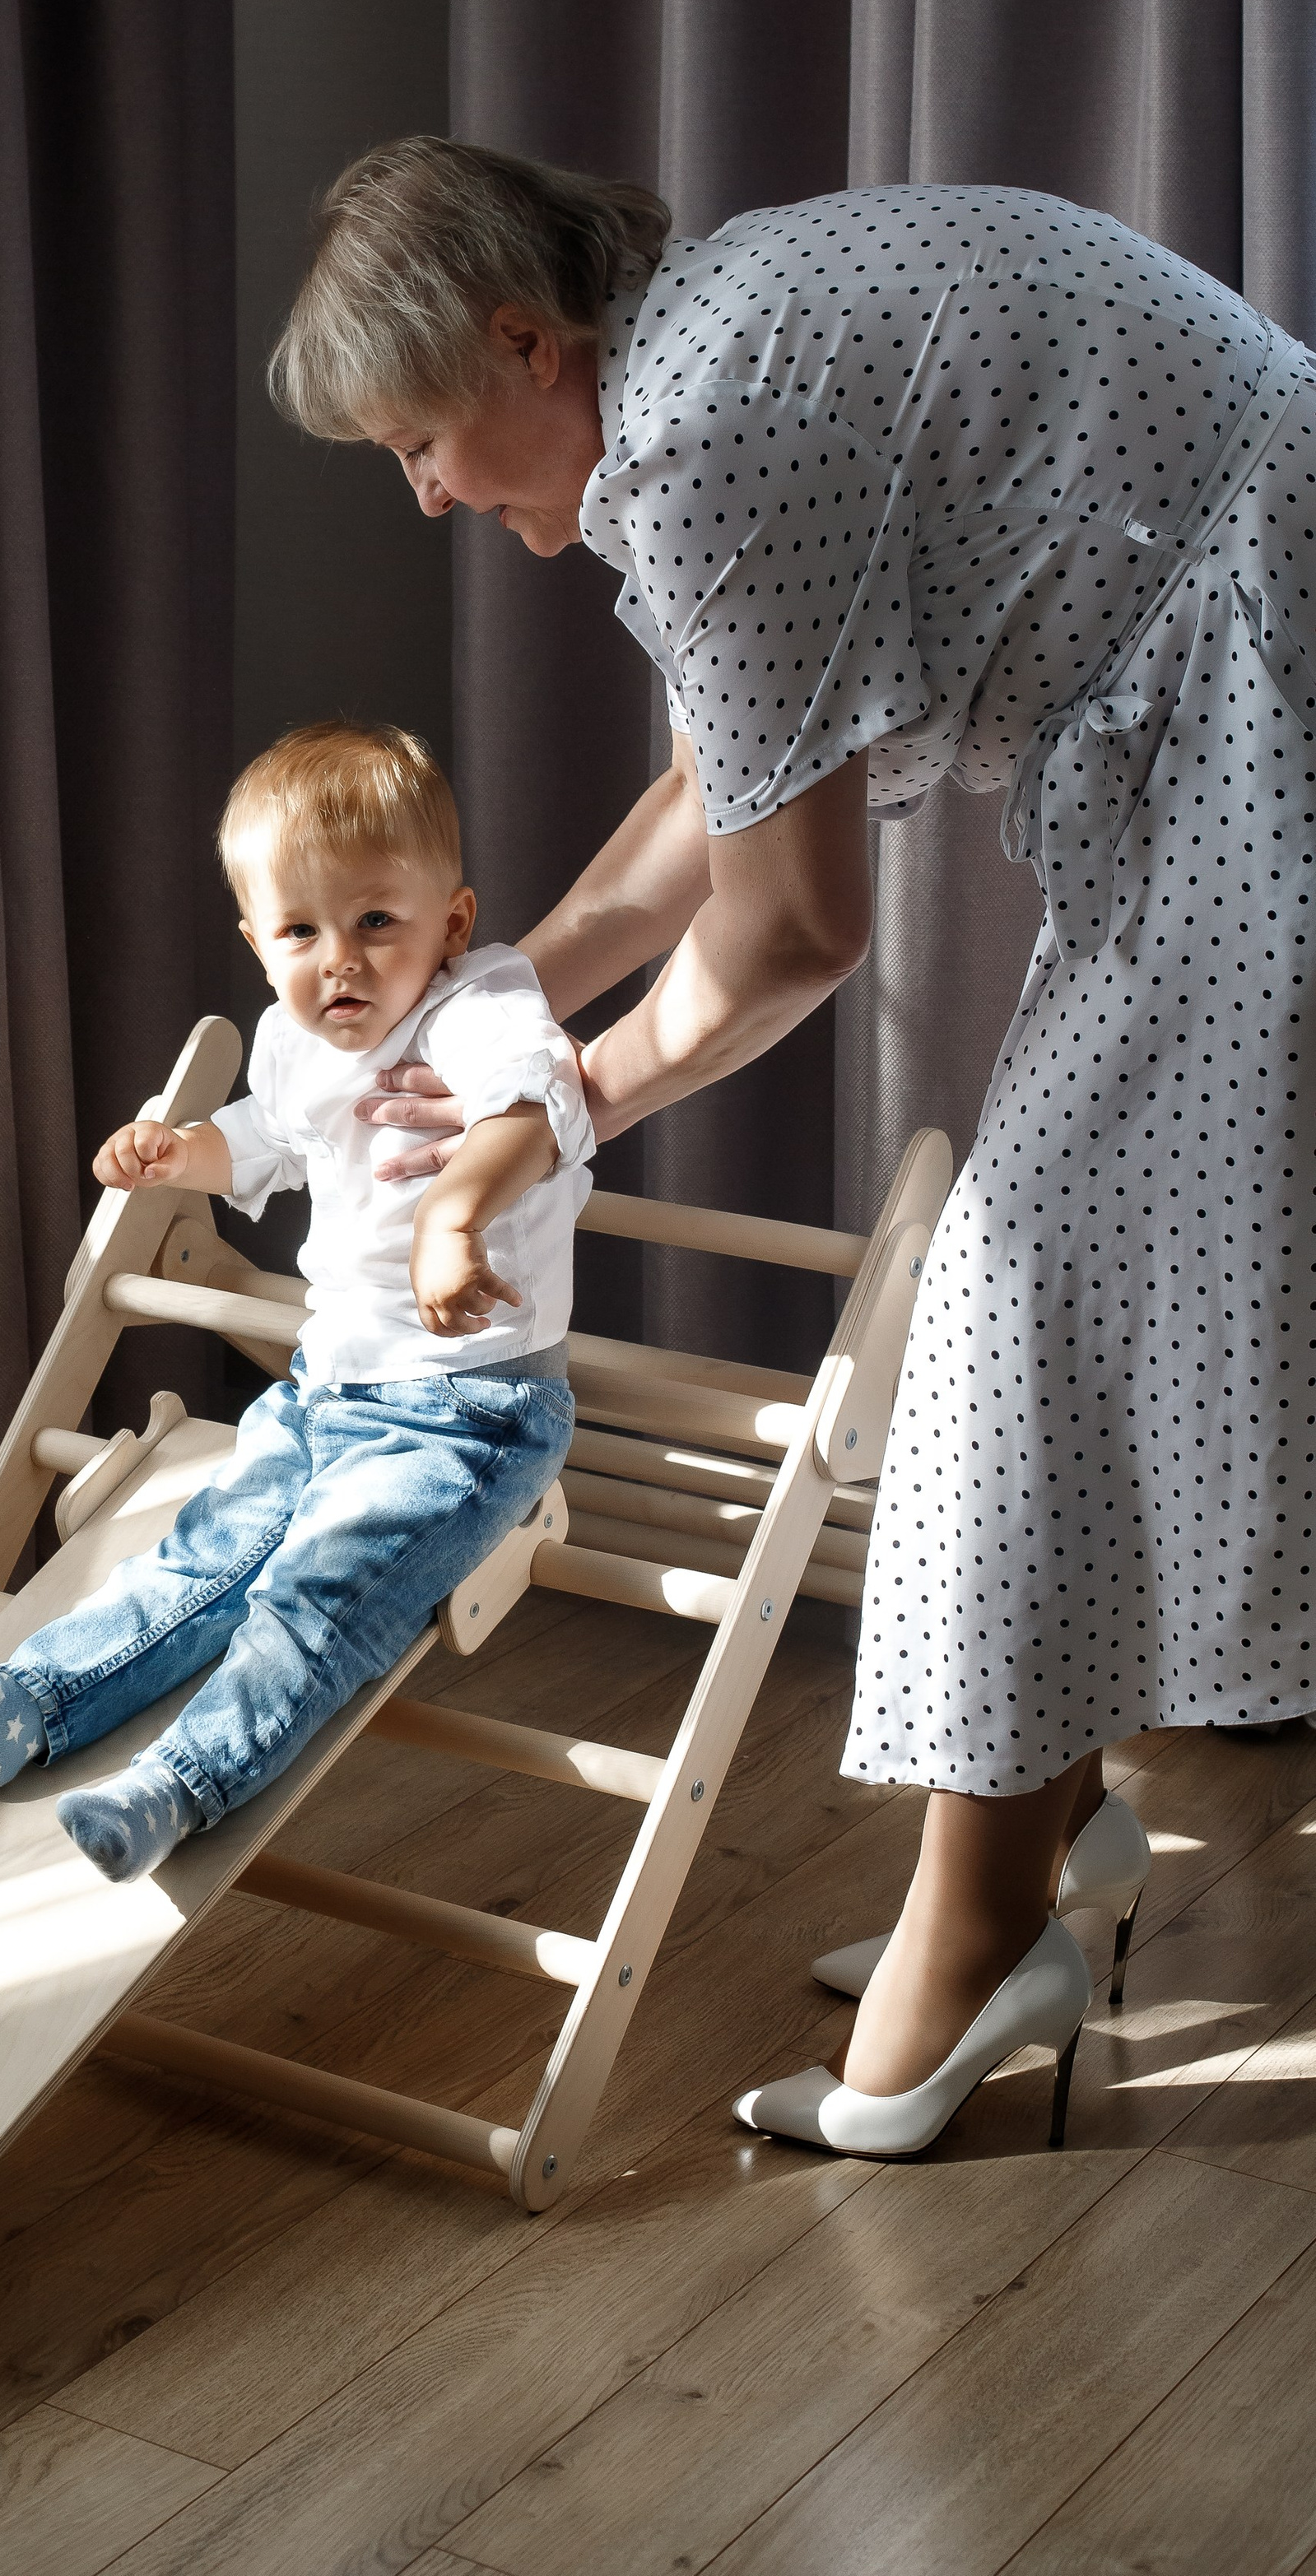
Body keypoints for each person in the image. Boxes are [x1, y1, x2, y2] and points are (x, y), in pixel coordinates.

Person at [269, 134, 1316, 2155]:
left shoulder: (697, 438)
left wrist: (548, 1113)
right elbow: (727, 779)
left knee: (1024, 1317)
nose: (428, 495)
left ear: (520, 339)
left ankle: (980, 1928)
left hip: (1274, 707)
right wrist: (500, 992)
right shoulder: (721, 345)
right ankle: (1046, 1841)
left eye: (423, 438)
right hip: (1248, 677)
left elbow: (789, 934)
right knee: (1060, 1300)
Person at [0, 719, 588, 1883]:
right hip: (325, 1393)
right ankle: (24, 1710)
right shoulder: (293, 1040)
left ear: (451, 924)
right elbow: (268, 1141)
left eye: (377, 922)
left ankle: (179, 1785)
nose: (340, 962)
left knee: (319, 1597)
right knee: (202, 1559)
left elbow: (532, 1108)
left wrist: (454, 1220)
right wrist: (178, 1151)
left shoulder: (481, 1003)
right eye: (302, 931)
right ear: (258, 942)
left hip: (472, 1414)